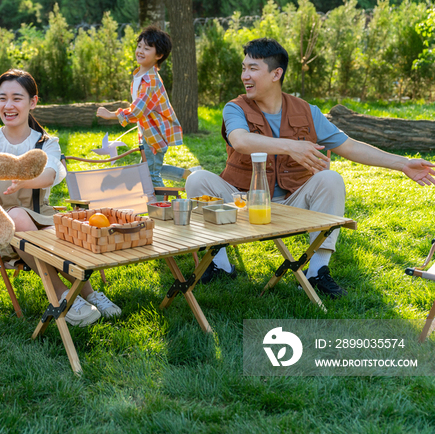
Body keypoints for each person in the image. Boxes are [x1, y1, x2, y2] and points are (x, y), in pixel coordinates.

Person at [186, 38, 435, 298]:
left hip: (291, 203)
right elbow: (240, 140)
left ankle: (316, 270)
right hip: (243, 202)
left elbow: (349, 146)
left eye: (252, 69)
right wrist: (291, 146)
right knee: (197, 180)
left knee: (331, 179)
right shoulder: (235, 107)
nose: (244, 76)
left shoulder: (306, 111)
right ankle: (221, 264)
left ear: (276, 73)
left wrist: (403, 163)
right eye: (243, 68)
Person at [0, 68, 121, 326]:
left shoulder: (46, 143)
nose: (8, 105)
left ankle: (89, 294)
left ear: (33, 102)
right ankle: (62, 295)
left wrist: (23, 181)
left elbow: (50, 175)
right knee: (16, 214)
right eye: (2, 98)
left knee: (63, 230)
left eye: (17, 98)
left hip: (43, 220)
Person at [96, 25, 198, 192]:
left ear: (159, 55)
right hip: (148, 133)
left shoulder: (150, 81)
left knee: (151, 175)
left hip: (155, 135)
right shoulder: (140, 75)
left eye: (147, 48)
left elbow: (137, 110)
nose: (140, 51)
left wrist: (112, 115)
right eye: (139, 46)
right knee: (149, 169)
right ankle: (188, 174)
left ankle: (163, 209)